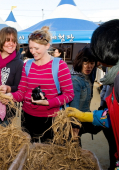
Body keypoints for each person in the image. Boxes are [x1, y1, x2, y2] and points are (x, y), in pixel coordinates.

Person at [5, 26, 74, 142]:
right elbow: (22, 92)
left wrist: (48, 102)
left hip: (50, 120)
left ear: (47, 46)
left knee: (47, 154)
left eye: (36, 48)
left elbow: (69, 95)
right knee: (28, 151)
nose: (33, 52)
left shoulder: (59, 66)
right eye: (31, 48)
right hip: (27, 117)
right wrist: (11, 96)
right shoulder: (27, 65)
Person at [67, 19, 119, 170]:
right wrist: (82, 119)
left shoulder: (113, 78)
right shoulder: (78, 80)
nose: (91, 65)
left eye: (93, 61)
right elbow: (111, 116)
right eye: (86, 62)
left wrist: (87, 117)